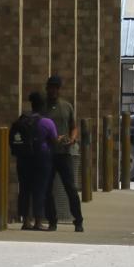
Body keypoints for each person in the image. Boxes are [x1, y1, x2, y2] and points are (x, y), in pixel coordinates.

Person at [10, 91, 58, 230]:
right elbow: (54, 140)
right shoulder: (47, 122)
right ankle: (38, 221)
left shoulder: (23, 120)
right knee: (40, 190)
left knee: (25, 189)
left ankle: (25, 221)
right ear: (43, 106)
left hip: (23, 159)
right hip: (41, 159)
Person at [44, 75, 85, 232]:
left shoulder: (67, 106)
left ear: (59, 90)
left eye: (56, 88)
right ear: (47, 89)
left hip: (64, 153)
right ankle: (52, 221)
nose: (53, 90)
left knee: (70, 188)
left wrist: (73, 138)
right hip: (48, 153)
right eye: (51, 87)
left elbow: (73, 127)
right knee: (47, 189)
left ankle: (78, 220)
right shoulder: (43, 108)